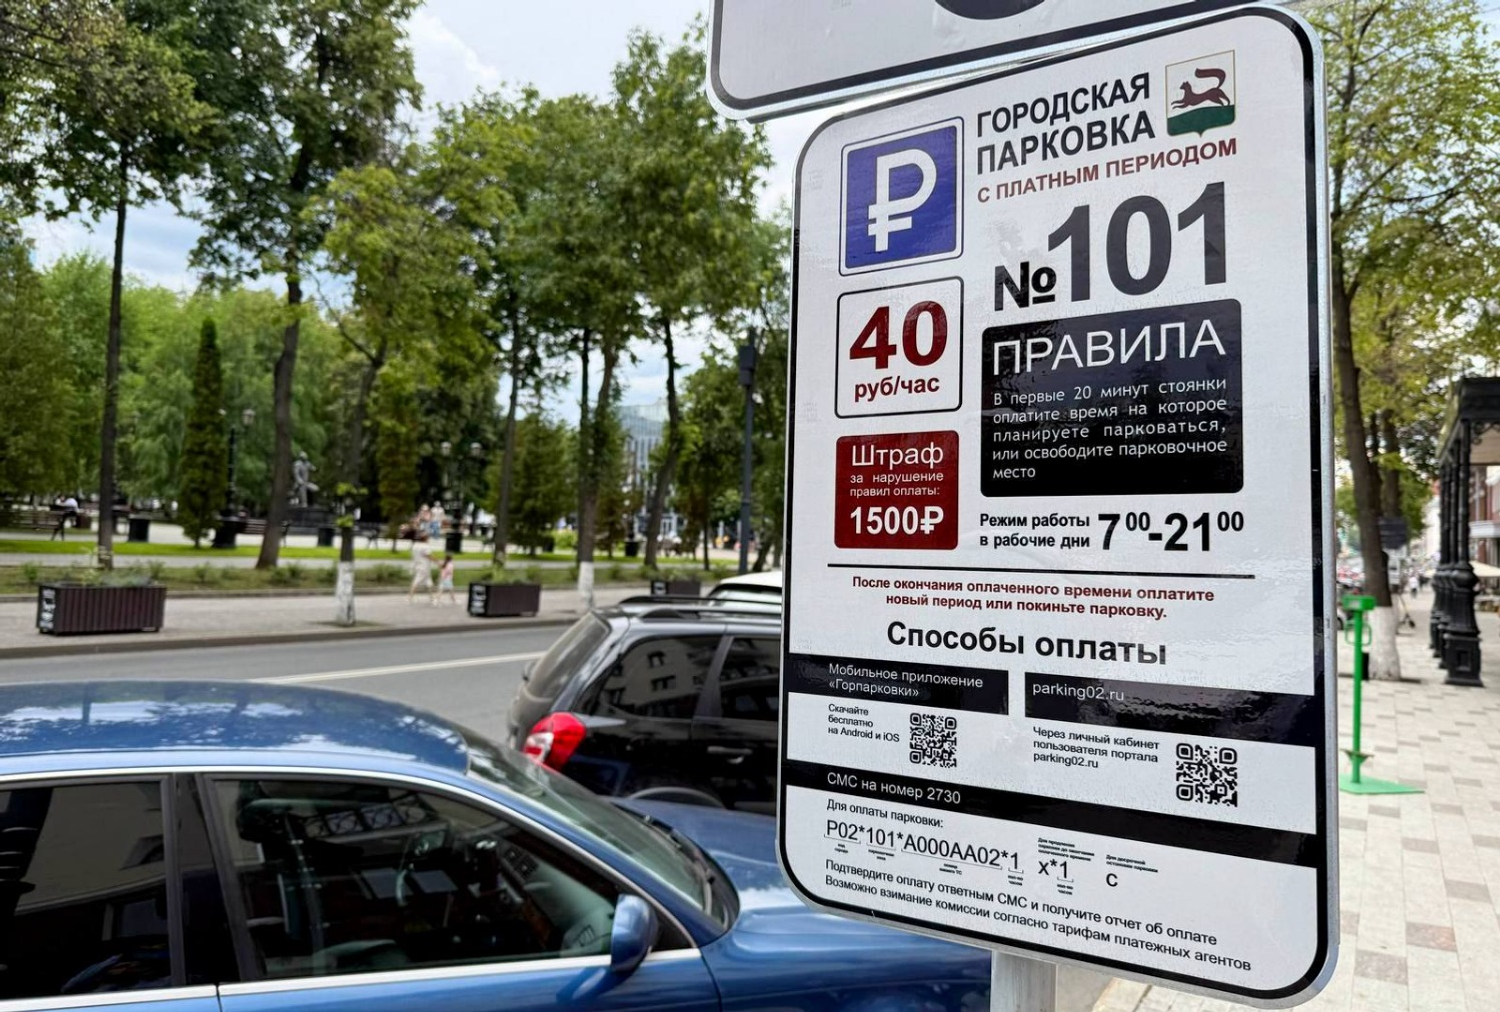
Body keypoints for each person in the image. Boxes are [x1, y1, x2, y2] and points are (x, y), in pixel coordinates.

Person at [409, 534, 435, 604]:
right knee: (416, 581)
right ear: (426, 539)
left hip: (418, 565)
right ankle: (410, 597)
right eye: (428, 538)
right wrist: (438, 562)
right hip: (424, 566)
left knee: (429, 582)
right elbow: (429, 555)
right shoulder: (426, 546)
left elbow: (414, 556)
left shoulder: (415, 545)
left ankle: (432, 597)